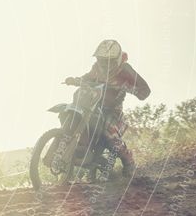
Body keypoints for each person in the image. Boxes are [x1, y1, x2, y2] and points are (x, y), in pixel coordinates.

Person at [64, 39, 151, 176]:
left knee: (110, 134)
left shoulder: (126, 70)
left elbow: (145, 90)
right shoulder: (96, 67)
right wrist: (75, 80)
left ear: (116, 60)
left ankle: (128, 161)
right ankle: (79, 147)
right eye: (101, 60)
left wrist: (129, 88)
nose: (103, 64)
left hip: (113, 112)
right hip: (93, 105)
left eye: (107, 61)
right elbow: (87, 77)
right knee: (78, 111)